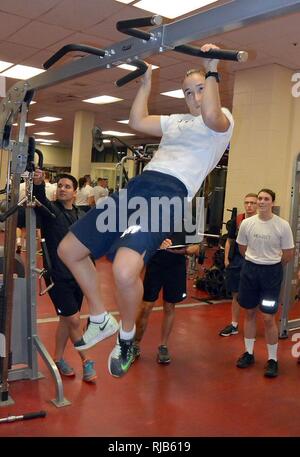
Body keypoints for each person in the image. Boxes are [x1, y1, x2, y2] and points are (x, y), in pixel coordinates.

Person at [58, 43, 234, 378]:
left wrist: (212, 68)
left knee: (125, 270)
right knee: (69, 249)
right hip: (140, 186)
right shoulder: (177, 121)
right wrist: (146, 83)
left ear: (211, 88)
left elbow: (211, 114)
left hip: (169, 193)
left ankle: (126, 338)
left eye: (200, 89)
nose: (194, 97)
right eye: (187, 92)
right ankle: (99, 317)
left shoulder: (222, 121)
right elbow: (137, 120)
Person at [33, 170, 118, 382]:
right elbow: (40, 198)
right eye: (60, 185)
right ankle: (86, 359)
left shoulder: (82, 215)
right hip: (57, 277)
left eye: (67, 186)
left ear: (74, 192)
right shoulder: (50, 211)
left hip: (79, 277)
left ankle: (58, 358)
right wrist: (37, 183)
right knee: (73, 319)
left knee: (66, 320)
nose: (62, 189)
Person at [236, 188, 294, 378]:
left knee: (269, 317)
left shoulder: (282, 225)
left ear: (272, 202)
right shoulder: (247, 223)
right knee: (250, 312)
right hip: (250, 271)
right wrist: (255, 260)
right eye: (259, 198)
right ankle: (249, 353)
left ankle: (272, 359)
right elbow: (242, 248)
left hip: (271, 273)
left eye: (265, 199)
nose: (261, 202)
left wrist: (270, 263)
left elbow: (288, 253)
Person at [133, 236, 200, 365]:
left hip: (176, 267)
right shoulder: (158, 219)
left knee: (169, 306)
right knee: (146, 306)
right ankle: (135, 344)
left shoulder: (188, 221)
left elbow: (196, 248)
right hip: (155, 264)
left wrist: (183, 250)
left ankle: (163, 346)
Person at [219, 193, 258, 336]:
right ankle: (234, 324)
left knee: (251, 294)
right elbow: (229, 240)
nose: (249, 205)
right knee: (235, 293)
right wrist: (226, 260)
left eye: (252, 203)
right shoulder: (237, 220)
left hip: (253, 261)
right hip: (236, 260)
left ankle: (250, 325)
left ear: (257, 205)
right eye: (247, 202)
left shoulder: (261, 222)